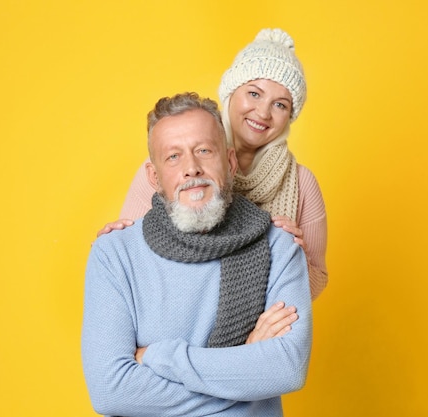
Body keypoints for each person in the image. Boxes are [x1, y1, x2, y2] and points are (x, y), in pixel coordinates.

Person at [82, 92, 312, 416]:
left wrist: (160, 358)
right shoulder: (114, 254)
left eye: (203, 150)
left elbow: (287, 368)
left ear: (230, 163)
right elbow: (111, 391)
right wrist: (243, 371)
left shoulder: (279, 246)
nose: (191, 168)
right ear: (154, 177)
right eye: (173, 157)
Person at [99, 28, 328, 300]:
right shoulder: (170, 169)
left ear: (290, 115)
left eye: (280, 104)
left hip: (265, 331)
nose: (263, 112)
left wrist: (292, 256)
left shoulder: (302, 184)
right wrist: (114, 246)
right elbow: (133, 262)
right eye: (254, 94)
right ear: (231, 93)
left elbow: (316, 281)